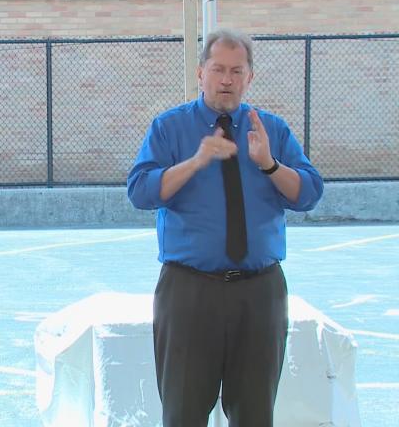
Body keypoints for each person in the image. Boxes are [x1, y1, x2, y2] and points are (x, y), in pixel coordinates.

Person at [127, 29, 323, 426]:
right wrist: (194, 162)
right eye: (218, 69)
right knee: (183, 413)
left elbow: (308, 194)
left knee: (254, 414)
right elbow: (140, 192)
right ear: (200, 73)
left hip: (260, 292)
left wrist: (269, 163)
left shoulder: (272, 130)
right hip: (188, 291)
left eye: (237, 71)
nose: (227, 79)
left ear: (250, 77)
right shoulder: (169, 128)